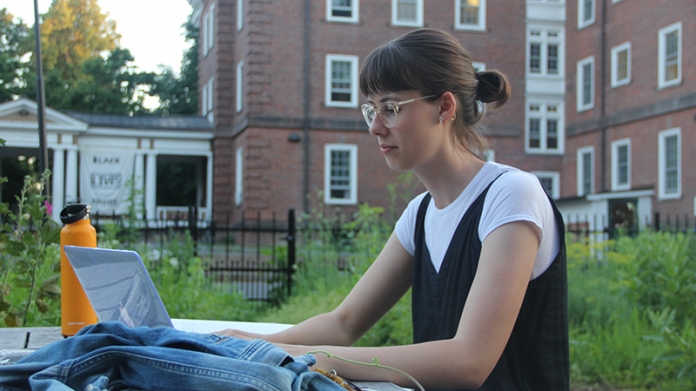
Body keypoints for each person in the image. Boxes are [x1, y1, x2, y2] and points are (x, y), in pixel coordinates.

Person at [219, 28, 569, 391]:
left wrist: (313, 357)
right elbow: (344, 323)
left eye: (390, 109)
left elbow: (469, 361)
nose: (374, 127)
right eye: (371, 109)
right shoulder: (419, 214)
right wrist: (244, 343)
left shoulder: (511, 194)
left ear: (444, 107)